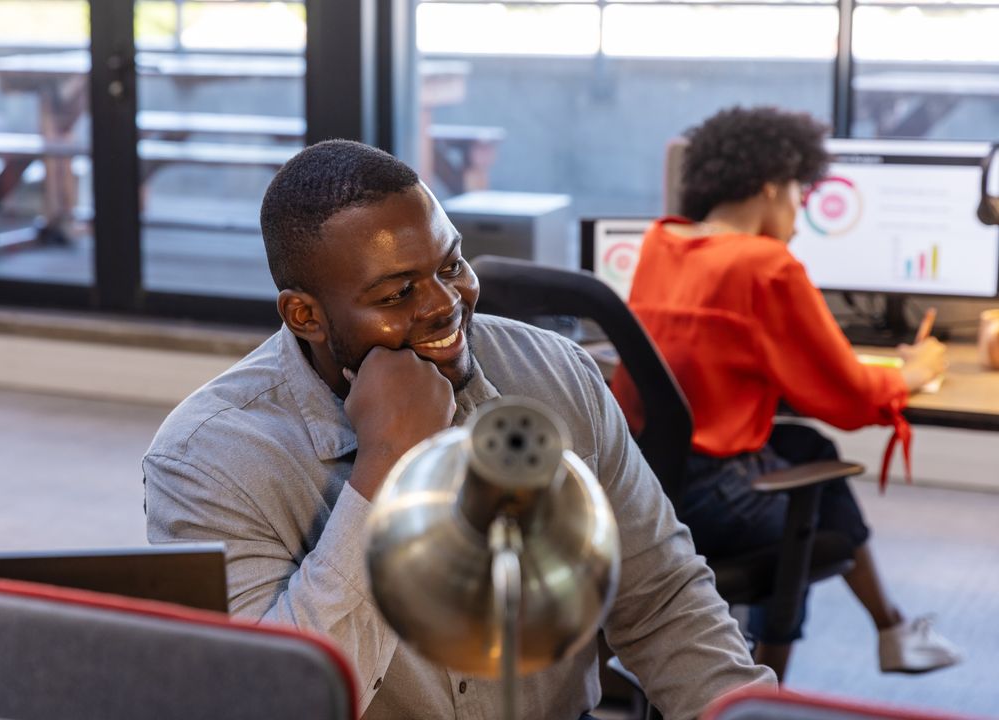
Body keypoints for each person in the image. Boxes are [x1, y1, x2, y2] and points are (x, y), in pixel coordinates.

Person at [144, 139, 775, 719]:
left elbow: (663, 598)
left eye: (451, 265)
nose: (445, 304)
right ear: (304, 314)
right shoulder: (208, 458)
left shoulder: (555, 372)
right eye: (397, 295)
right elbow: (278, 702)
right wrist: (387, 464)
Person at [610, 106, 961, 680]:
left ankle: (890, 628)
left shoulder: (662, 241)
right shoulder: (765, 264)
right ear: (772, 186)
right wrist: (912, 373)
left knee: (810, 449)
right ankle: (769, 685)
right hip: (714, 494)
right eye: (801, 191)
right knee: (820, 517)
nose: (802, 211)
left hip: (647, 478)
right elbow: (847, 396)